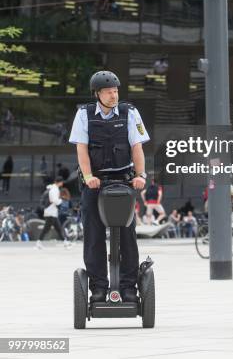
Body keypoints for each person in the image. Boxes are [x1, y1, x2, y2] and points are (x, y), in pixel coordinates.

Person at [69, 70, 149, 304]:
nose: (114, 95)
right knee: (93, 236)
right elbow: (81, 149)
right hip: (95, 182)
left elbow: (137, 147)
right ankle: (98, 288)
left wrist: (140, 175)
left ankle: (128, 287)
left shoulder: (129, 113)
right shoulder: (84, 115)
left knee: (128, 235)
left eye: (115, 91)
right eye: (108, 92)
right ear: (98, 94)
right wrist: (88, 176)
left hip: (123, 181)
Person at [36, 176, 71, 249]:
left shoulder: (53, 188)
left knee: (58, 228)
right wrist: (61, 201)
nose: (62, 184)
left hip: (52, 212)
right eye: (61, 182)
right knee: (47, 229)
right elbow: (54, 200)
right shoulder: (54, 189)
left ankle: (65, 242)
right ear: (60, 182)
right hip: (50, 212)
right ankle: (39, 242)